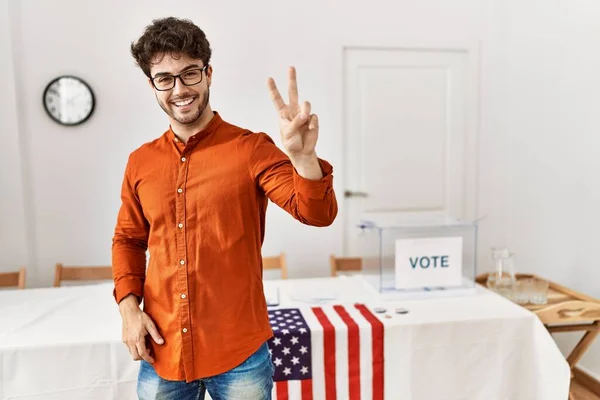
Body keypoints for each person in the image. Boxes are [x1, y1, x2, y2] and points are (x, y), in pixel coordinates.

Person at [111, 17, 338, 400]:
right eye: (164, 79)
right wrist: (129, 310)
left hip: (239, 353)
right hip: (162, 349)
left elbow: (317, 213)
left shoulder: (251, 149)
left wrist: (304, 158)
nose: (179, 89)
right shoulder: (140, 162)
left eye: (189, 74)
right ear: (152, 85)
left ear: (209, 73)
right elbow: (128, 240)